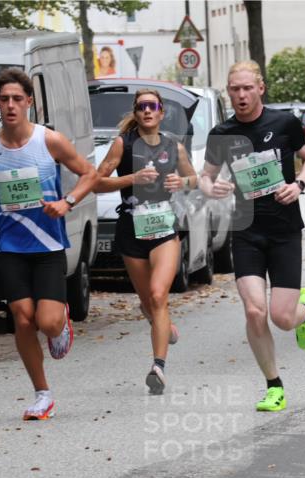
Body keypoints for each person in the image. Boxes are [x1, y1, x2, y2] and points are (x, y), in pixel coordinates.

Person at [0, 68, 98, 420]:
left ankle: (60, 324)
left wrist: (67, 202)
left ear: (29, 103)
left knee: (46, 321)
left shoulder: (48, 140)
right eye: (4, 99)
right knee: (23, 319)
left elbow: (89, 173)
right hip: (10, 247)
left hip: (48, 245)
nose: (10, 106)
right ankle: (42, 394)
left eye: (17, 99)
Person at [198, 61, 305, 412]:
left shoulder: (284, 123)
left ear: (260, 88)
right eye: (234, 89)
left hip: (284, 231)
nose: (240, 94)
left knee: (283, 319)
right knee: (255, 311)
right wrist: (213, 187)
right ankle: (273, 386)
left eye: (247, 88)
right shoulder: (222, 133)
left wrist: (298, 185)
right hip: (246, 231)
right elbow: (205, 177)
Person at [95, 89, 198, 394]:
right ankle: (163, 323)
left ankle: (158, 367)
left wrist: (182, 182)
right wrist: (131, 179)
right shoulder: (122, 144)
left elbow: (195, 180)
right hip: (132, 229)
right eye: (142, 107)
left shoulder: (173, 146)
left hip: (165, 228)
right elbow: (97, 183)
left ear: (161, 112)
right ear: (137, 113)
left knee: (157, 295)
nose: (147, 111)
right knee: (148, 304)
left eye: (153, 106)